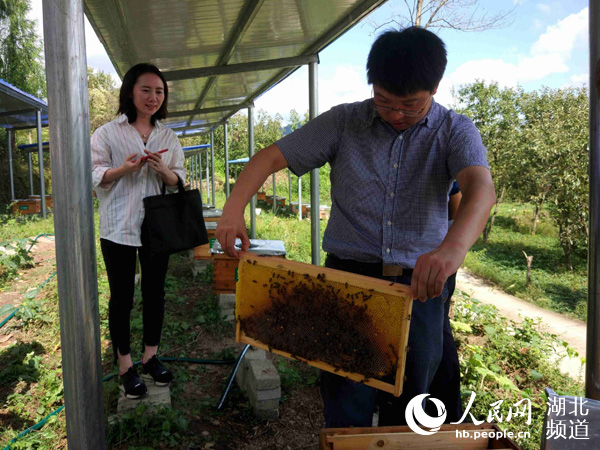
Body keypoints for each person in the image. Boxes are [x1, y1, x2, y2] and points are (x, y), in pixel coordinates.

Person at [216, 26, 496, 426]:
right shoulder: (344, 122)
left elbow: (480, 188)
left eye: (410, 105)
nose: (396, 114)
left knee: (415, 407)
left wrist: (451, 250)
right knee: (345, 403)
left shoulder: (455, 131)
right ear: (372, 85)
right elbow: (268, 159)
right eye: (384, 102)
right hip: (348, 284)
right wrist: (232, 211)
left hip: (419, 289)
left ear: (434, 89)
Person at [91, 63, 185, 399]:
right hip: (118, 226)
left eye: (159, 91)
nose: (153, 97)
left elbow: (179, 180)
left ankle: (150, 357)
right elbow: (94, 173)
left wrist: (164, 172)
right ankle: (126, 366)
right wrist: (124, 169)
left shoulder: (168, 136)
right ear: (131, 91)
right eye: (146, 90)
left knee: (155, 293)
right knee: (122, 298)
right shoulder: (106, 133)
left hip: (157, 228)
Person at [428, 181, 463, 422]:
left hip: (433, 263)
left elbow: (458, 200)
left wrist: (447, 251)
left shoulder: (443, 144)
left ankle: (446, 418)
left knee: (437, 337)